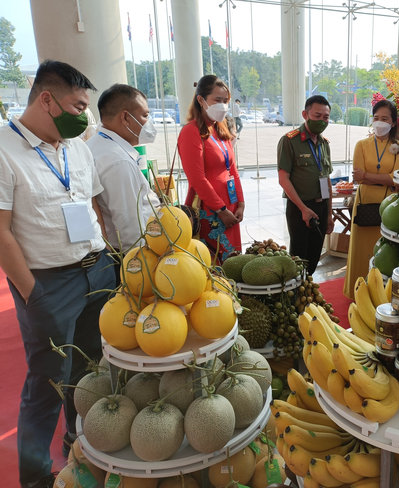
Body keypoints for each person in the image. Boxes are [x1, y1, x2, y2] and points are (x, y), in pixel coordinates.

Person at [0, 60, 116, 488]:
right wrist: (34, 294)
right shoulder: (4, 150)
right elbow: (1, 232)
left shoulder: (77, 147)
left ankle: (78, 443)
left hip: (97, 272)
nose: (84, 115)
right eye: (77, 104)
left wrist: (109, 262)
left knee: (90, 370)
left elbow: (93, 208)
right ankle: (33, 478)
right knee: (49, 381)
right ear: (46, 100)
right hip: (49, 283)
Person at [86, 84, 160, 267]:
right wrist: (146, 263)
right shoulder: (117, 160)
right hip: (132, 257)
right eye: (145, 115)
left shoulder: (97, 145)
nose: (148, 123)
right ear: (126, 117)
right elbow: (129, 227)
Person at [178, 75, 244, 265]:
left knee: (233, 263)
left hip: (230, 206)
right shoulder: (191, 131)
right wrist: (221, 210)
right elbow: (197, 179)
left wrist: (240, 203)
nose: (223, 105)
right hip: (210, 210)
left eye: (226, 101)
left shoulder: (220, 129)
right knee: (214, 265)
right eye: (218, 100)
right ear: (201, 100)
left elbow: (233, 170)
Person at [343, 99, 399, 299]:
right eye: (376, 118)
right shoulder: (362, 145)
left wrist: (368, 177)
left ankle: (381, 294)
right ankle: (357, 292)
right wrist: (386, 179)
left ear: (393, 122)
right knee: (361, 249)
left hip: (390, 207)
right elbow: (357, 176)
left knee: (385, 249)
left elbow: (398, 179)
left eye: (384, 118)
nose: (379, 122)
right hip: (364, 203)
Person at [277, 95, 334, 275]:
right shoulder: (289, 141)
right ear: (305, 114)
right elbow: (283, 179)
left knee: (315, 252)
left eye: (326, 117)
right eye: (317, 116)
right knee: (299, 255)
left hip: (322, 205)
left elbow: (327, 180)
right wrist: (303, 208)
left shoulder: (324, 144)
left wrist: (330, 214)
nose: (322, 121)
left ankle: (308, 290)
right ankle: (296, 295)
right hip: (300, 208)